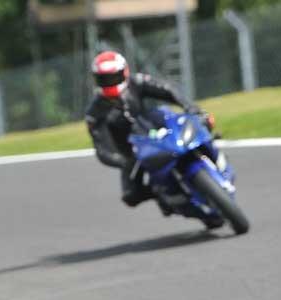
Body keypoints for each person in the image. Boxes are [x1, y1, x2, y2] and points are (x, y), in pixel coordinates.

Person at [85, 50, 217, 213]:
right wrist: (123, 160)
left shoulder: (137, 81)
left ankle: (213, 156)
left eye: (113, 77)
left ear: (124, 72)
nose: (109, 83)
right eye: (103, 79)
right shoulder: (94, 113)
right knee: (130, 196)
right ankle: (165, 197)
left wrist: (192, 109)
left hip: (155, 126)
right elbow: (101, 148)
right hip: (132, 151)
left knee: (200, 122)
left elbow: (168, 90)